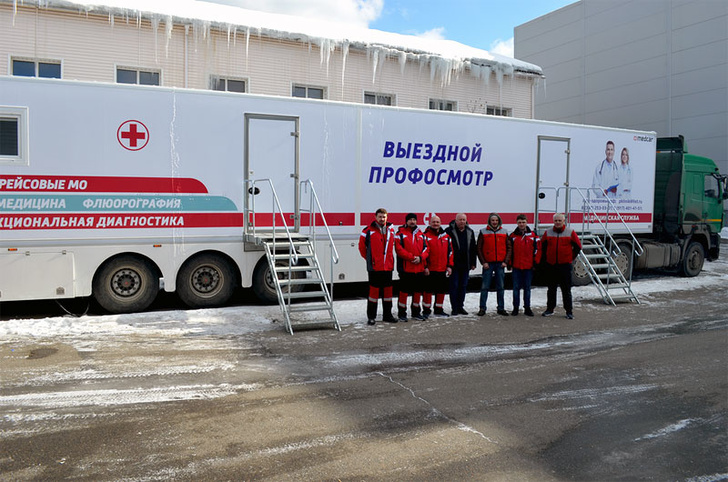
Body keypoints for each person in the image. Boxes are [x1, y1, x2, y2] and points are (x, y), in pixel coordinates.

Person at [359, 208, 397, 325]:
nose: (382, 219)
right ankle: (371, 317)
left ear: (387, 217)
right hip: (375, 268)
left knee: (388, 294)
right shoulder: (367, 231)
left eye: (384, 217)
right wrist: (371, 260)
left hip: (387, 267)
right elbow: (361, 248)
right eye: (380, 217)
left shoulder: (391, 230)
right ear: (375, 217)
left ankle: (387, 315)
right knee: (373, 294)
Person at [540, 213, 582, 319]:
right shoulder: (548, 232)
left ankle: (569, 311)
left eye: (560, 220)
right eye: (556, 221)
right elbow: (542, 247)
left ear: (564, 221)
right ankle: (550, 309)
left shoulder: (570, 232)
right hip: (551, 265)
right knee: (551, 289)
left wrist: (570, 258)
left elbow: (577, 247)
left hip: (565, 266)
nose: (557, 222)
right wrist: (546, 260)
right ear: (553, 221)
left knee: (566, 289)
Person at [476, 213, 512, 316]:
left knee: (500, 287)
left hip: (500, 264)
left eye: (496, 220)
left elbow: (509, 248)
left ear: (499, 221)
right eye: (493, 220)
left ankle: (501, 308)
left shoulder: (504, 232)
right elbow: (478, 248)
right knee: (484, 287)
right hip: (488, 264)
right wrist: (483, 262)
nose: (494, 222)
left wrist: (506, 261)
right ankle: (482, 308)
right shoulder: (483, 232)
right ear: (489, 221)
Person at [395, 213, 429, 321]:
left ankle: (416, 313)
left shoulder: (421, 234)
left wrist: (420, 258)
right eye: (410, 220)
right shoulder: (400, 233)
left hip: (418, 268)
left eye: (414, 219)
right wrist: (412, 258)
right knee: (404, 292)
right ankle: (402, 313)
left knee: (417, 292)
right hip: (405, 269)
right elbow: (399, 249)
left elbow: (426, 249)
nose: (412, 221)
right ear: (406, 221)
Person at [508, 214, 541, 316]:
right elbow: (509, 251)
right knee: (516, 288)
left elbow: (538, 250)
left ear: (527, 223)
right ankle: (515, 308)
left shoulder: (533, 236)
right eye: (519, 222)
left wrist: (536, 263)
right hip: (517, 267)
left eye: (523, 222)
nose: (521, 224)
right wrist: (509, 263)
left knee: (527, 288)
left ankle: (527, 308)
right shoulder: (512, 236)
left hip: (528, 267)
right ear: (517, 223)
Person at [445, 213, 477, 316]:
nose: (462, 222)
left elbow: (473, 248)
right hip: (454, 264)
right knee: (454, 286)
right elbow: (445, 249)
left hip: (465, 264)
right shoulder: (449, 231)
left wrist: (473, 263)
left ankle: (460, 307)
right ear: (456, 220)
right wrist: (447, 264)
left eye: (464, 220)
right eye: (460, 220)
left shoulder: (469, 232)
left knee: (463, 286)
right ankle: (454, 308)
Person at [422, 215, 454, 317]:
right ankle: (426, 311)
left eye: (437, 222)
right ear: (429, 223)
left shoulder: (446, 237)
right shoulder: (425, 236)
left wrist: (449, 266)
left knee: (441, 291)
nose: (435, 224)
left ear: (440, 223)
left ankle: (438, 310)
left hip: (442, 269)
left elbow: (451, 253)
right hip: (430, 269)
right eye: (433, 222)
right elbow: (423, 252)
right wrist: (425, 267)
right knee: (427, 291)